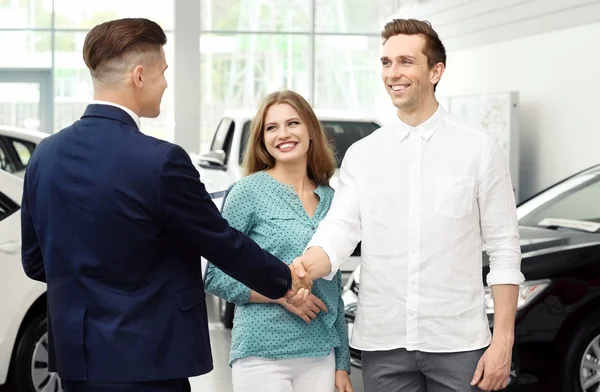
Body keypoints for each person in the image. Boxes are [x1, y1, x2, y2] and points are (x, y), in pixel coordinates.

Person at [20, 18, 309, 392]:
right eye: (163, 72)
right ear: (139, 76)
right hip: (149, 359)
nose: (166, 83)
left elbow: (35, 262)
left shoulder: (45, 155)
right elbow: (221, 242)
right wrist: (285, 279)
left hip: (79, 360)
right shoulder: (159, 161)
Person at [291, 18, 525, 392]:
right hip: (384, 343)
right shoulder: (363, 155)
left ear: (436, 71)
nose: (392, 73)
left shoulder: (479, 149)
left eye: (405, 62)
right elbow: (339, 230)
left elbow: (504, 249)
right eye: (386, 62)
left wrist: (503, 341)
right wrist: (304, 267)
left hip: (458, 343)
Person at [204, 90, 353, 392]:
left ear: (310, 130)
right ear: (262, 140)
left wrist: (342, 364)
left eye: (293, 123)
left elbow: (333, 287)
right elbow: (214, 276)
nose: (283, 134)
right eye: (272, 128)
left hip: (320, 352)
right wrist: (281, 293)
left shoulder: (332, 201)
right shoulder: (248, 192)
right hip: (261, 351)